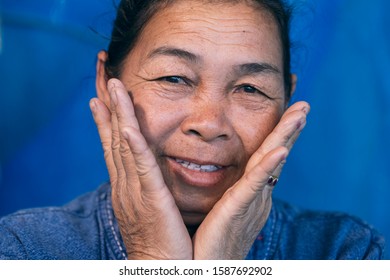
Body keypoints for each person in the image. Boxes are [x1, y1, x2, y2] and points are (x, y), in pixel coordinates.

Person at [0, 0, 385, 260]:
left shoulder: (345, 251)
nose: (209, 124)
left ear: (287, 100)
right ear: (106, 82)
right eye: (174, 78)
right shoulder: (26, 250)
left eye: (250, 88)